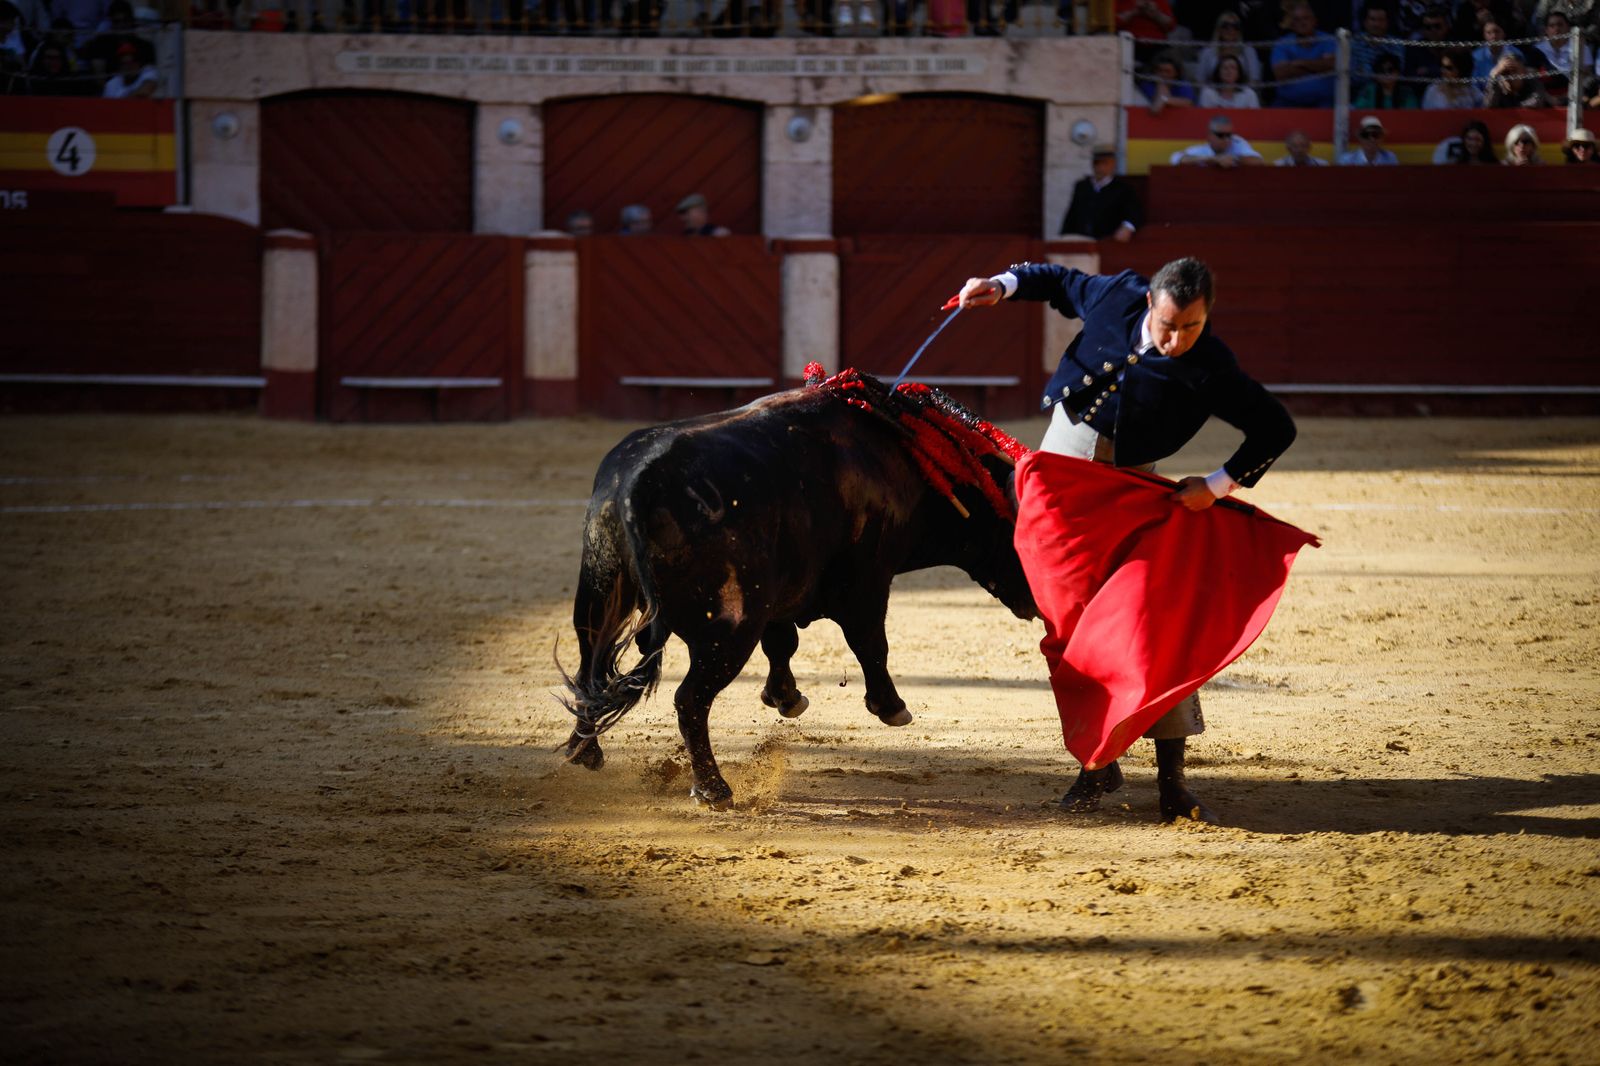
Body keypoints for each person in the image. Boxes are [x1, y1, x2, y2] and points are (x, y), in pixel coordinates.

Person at [954, 256, 1297, 822]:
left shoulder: (1210, 364)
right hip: (1061, 480)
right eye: (1168, 325)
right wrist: (1001, 284)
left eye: (1191, 327)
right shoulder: (1116, 295)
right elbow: (1057, 280)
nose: (1176, 340)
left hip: (1129, 492)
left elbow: (1274, 428)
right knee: (1070, 629)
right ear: (1149, 304)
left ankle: (1172, 781)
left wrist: (1217, 485)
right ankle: (1097, 764)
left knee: (1151, 625)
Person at [1059, 144, 1143, 242]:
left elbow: (1135, 213)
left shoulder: (1123, 189)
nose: (1100, 167)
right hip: (1082, 240)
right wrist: (1064, 236)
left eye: (1105, 163)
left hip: (1108, 241)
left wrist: (1127, 227)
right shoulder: (1082, 186)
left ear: (1113, 164)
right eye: (1097, 163)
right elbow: (1072, 214)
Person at [1270, 2, 1338, 107]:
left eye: (1306, 18)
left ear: (1314, 21)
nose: (1302, 23)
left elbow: (1331, 65)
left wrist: (1300, 63)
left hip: (1324, 102)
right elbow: (1281, 73)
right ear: (1292, 25)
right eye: (1297, 20)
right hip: (1288, 102)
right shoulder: (1282, 43)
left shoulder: (1328, 40)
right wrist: (1318, 66)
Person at [1195, 10, 1263, 86]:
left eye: (1235, 26)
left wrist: (1243, 92)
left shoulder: (1248, 51)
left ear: (1239, 31)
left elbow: (1254, 79)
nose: (1230, 29)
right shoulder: (1207, 52)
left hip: (1242, 91)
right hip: (1212, 91)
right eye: (1225, 26)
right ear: (1219, 29)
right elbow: (1200, 80)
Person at [1350, 3, 1406, 92]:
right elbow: (1353, 76)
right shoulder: (1354, 43)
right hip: (1357, 92)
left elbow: (1397, 74)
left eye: (1381, 20)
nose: (1376, 24)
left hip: (1389, 92)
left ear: (1387, 22)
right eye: (1372, 19)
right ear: (1365, 22)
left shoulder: (1396, 44)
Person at [1171, 113, 1266, 166]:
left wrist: (1234, 158)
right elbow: (1176, 159)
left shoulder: (1237, 143)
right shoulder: (1202, 150)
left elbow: (1259, 161)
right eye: (1220, 135)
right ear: (1210, 135)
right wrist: (1213, 159)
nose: (1226, 139)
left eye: (1229, 135)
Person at [1484, 50, 1559, 104]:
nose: (1510, 76)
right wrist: (1493, 75)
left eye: (1514, 70)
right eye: (1505, 72)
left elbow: (1535, 103)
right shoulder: (1498, 85)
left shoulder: (1532, 81)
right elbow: (1488, 105)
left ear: (1523, 71)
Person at [1404, 5, 1454, 83]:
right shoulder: (1414, 49)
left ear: (1447, 26)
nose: (1433, 31)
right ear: (1423, 30)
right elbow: (1410, 78)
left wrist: (1428, 71)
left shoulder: (1456, 47)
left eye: (1437, 26)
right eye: (1428, 27)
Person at [1354, 52, 1421, 107]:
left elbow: (1412, 114)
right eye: (1381, 70)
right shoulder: (1369, 90)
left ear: (1398, 72)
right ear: (1375, 74)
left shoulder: (1406, 93)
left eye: (1390, 70)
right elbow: (1358, 110)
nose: (1386, 73)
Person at [1433, 118, 1499, 161]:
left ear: (1485, 141)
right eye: (1469, 139)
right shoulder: (1458, 164)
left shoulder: (1494, 164)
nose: (1473, 143)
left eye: (1477, 139)